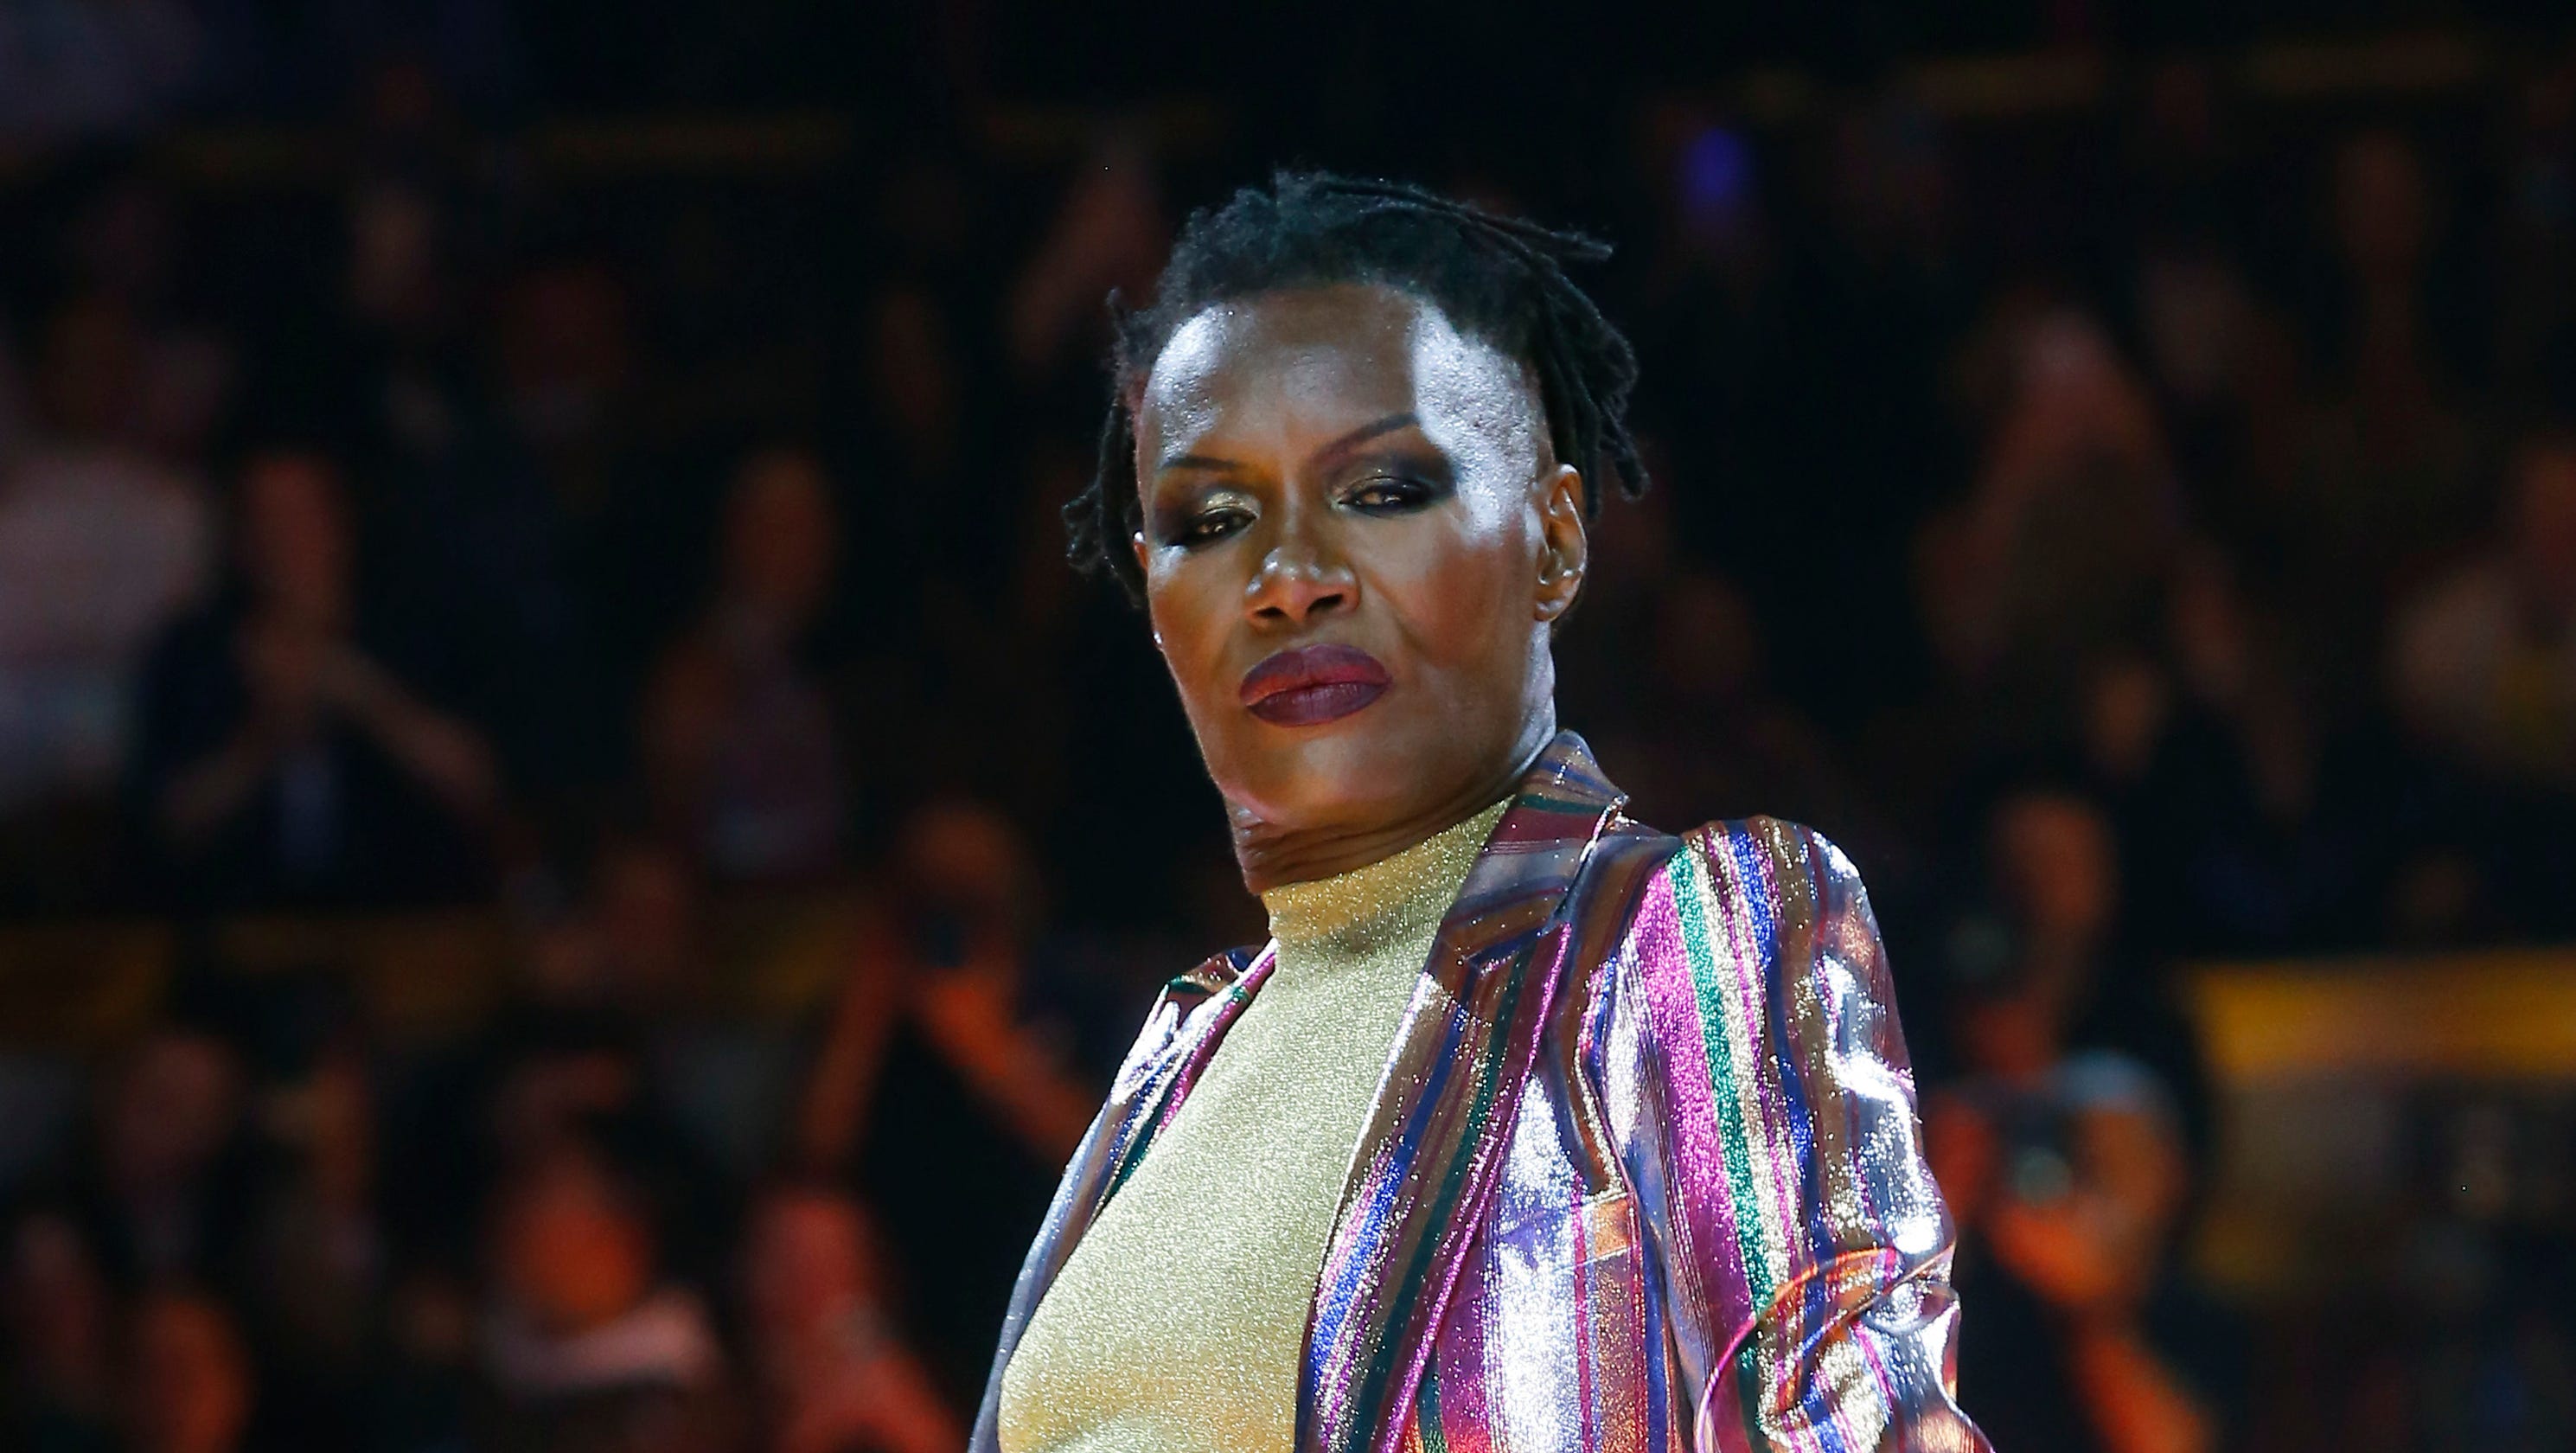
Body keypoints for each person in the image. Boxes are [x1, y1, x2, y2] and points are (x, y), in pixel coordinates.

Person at [980, 172, 1985, 1452]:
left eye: (1381, 491)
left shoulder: (1674, 939)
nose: (1288, 579)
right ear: (1152, 590)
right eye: (1213, 518)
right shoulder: (1176, 1058)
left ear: (1554, 539)